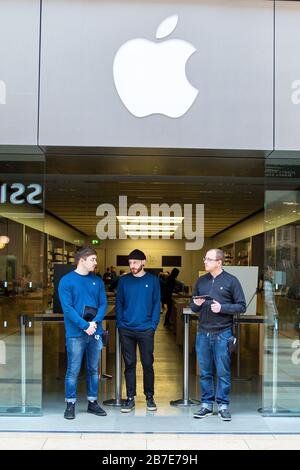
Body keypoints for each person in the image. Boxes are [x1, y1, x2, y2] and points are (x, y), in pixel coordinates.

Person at [191, 249, 246, 421]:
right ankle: (206, 405)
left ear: (219, 262)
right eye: (205, 258)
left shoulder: (231, 281)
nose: (205, 261)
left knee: (223, 372)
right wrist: (196, 304)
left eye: (209, 259)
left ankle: (223, 405)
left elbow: (241, 306)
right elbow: (193, 307)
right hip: (203, 333)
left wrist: (222, 308)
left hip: (223, 333)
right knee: (205, 372)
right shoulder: (201, 281)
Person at [58, 245, 108, 420]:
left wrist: (94, 323)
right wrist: (84, 325)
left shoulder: (98, 281)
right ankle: (70, 404)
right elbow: (68, 309)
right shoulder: (66, 281)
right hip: (76, 333)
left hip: (95, 332)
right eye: (93, 259)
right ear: (82, 260)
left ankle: (92, 403)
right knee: (73, 369)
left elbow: (103, 304)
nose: (96, 262)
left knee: (93, 369)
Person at [115, 249, 161, 413]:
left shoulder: (153, 280)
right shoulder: (124, 280)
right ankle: (130, 397)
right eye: (130, 263)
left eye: (135, 262)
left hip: (146, 329)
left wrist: (153, 324)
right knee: (130, 364)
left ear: (143, 262)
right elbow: (119, 302)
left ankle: (149, 396)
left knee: (148, 363)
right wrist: (120, 323)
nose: (132, 265)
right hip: (126, 328)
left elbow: (157, 303)